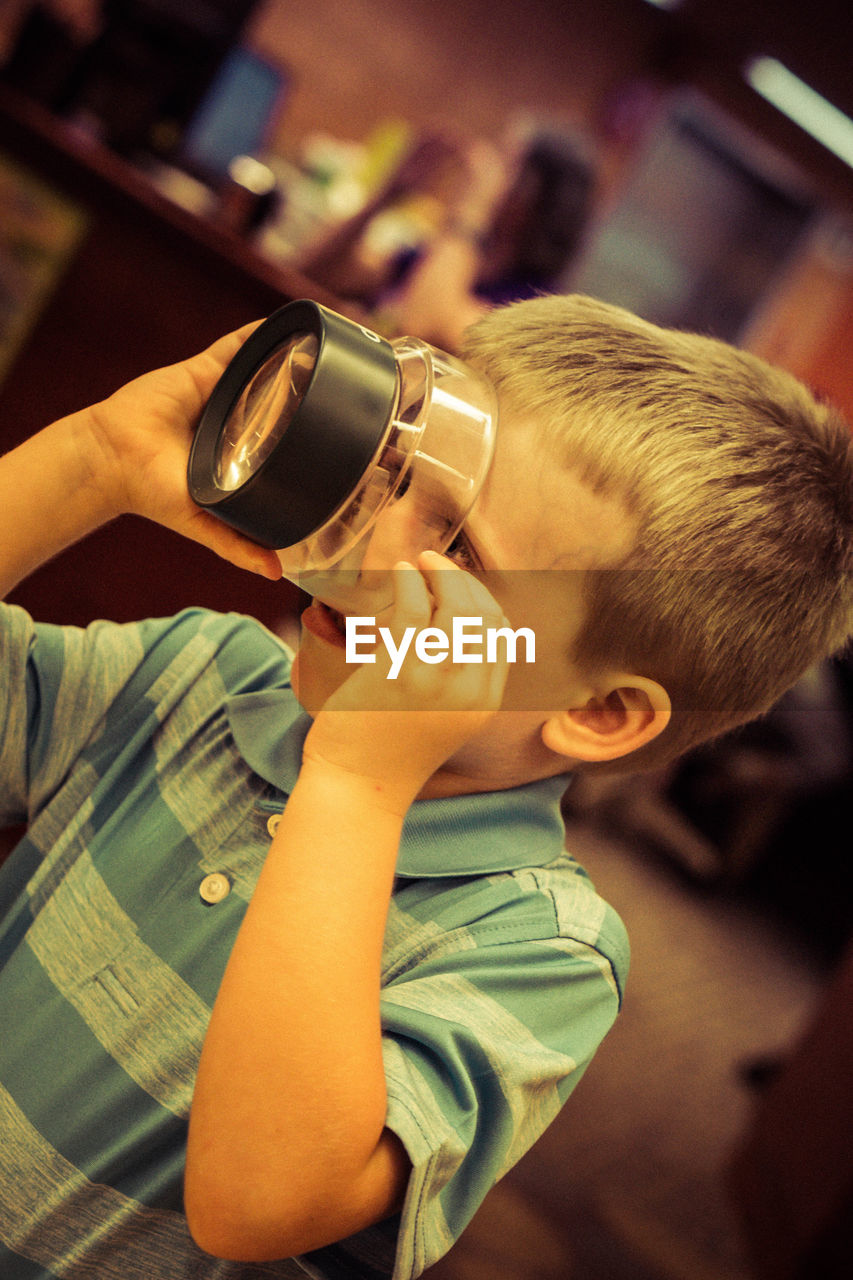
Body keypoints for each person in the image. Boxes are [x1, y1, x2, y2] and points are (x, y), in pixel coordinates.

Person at [1, 293, 851, 1280]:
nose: (370, 539)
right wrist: (94, 458)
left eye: (455, 552)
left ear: (598, 712)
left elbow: (256, 1200)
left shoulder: (540, 951)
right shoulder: (201, 673)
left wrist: (355, 789)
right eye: (399, 479)